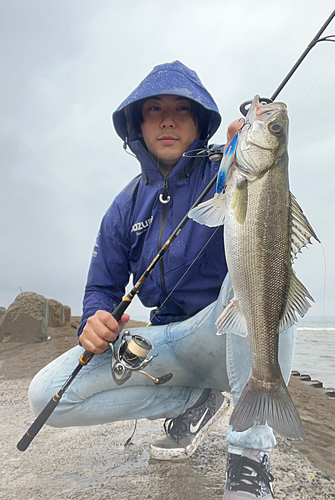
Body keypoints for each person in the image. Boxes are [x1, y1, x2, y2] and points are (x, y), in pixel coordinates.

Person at [28, 61, 296, 499]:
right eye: (154, 109)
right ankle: (193, 401)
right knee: (46, 397)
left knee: (261, 276)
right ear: (138, 123)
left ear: (200, 121)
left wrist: (239, 150)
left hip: (226, 334)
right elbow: (102, 287)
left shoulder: (226, 172)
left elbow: (263, 208)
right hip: (167, 342)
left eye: (181, 110)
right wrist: (94, 320)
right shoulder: (123, 206)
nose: (167, 119)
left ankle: (250, 460)